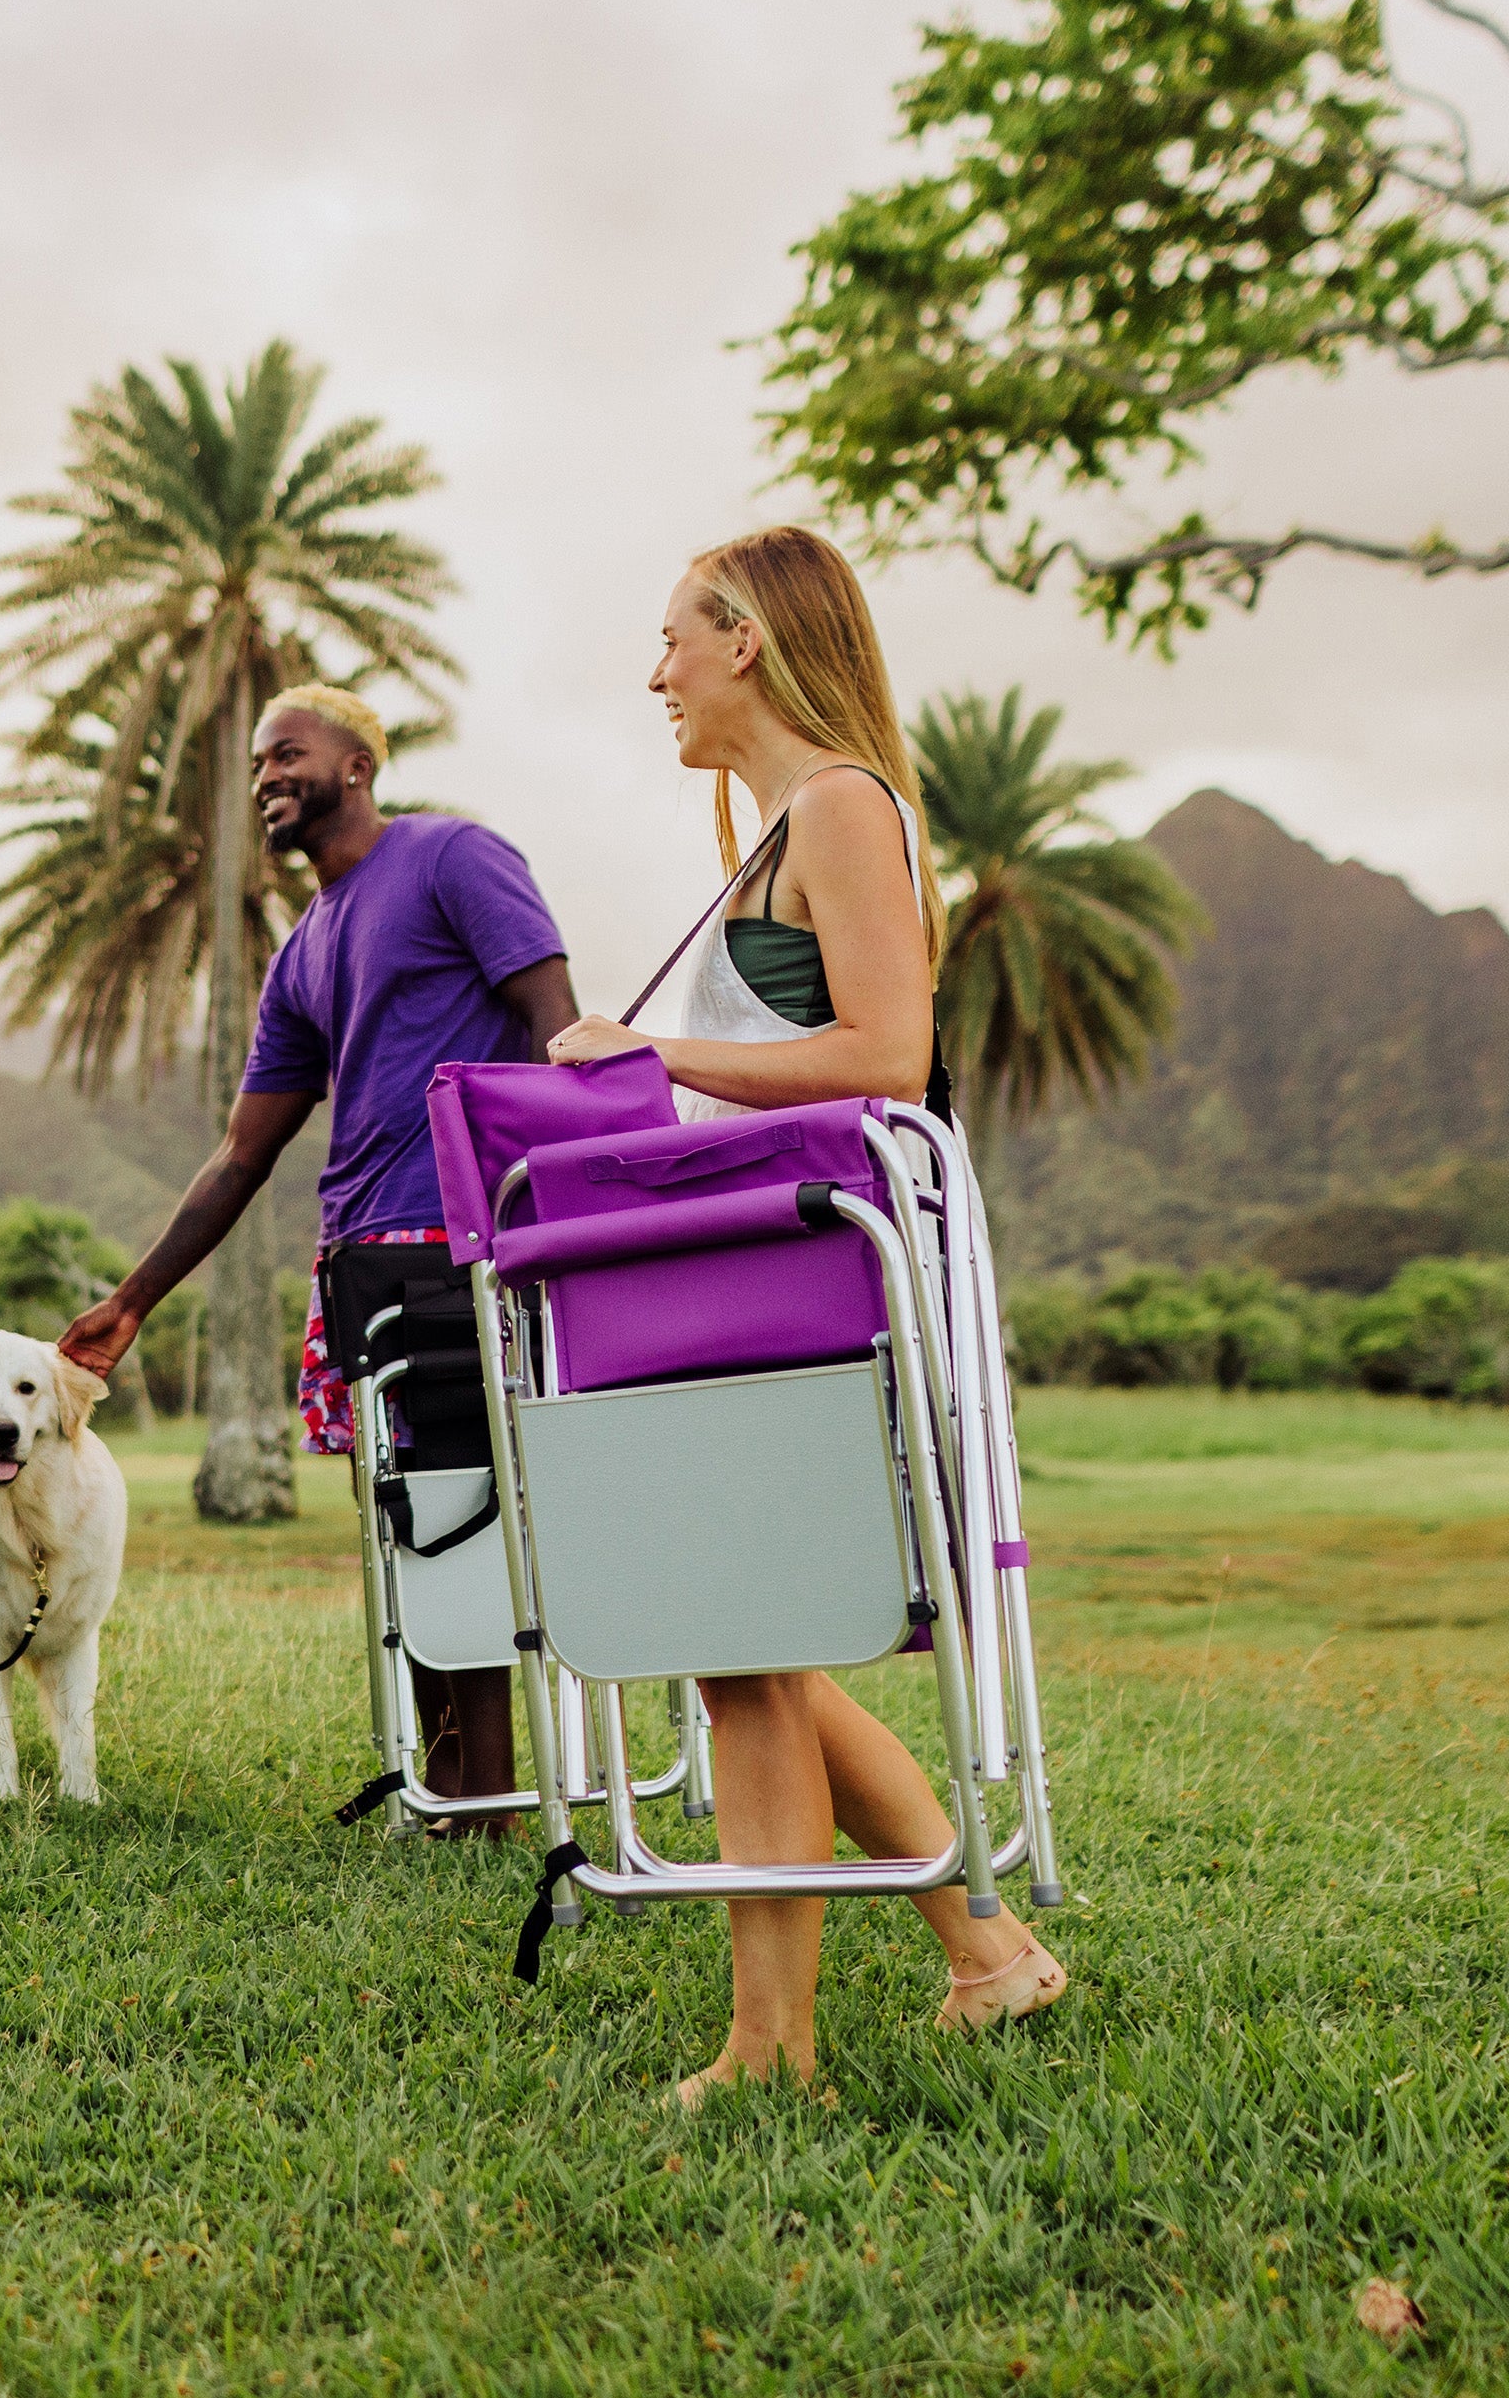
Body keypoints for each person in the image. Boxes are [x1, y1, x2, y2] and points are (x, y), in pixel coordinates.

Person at [546, 524, 1067, 2102]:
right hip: (767, 1296)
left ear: (748, 641)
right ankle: (989, 1954)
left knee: (744, 1642)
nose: (657, 675)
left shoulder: (838, 807)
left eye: (673, 640)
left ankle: (773, 2053)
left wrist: (655, 1061)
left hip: (820, 1298)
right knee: (755, 1650)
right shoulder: (773, 835)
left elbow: (889, 1055)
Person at [56, 685, 578, 1827]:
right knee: (407, 1523)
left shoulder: (453, 857)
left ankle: (482, 1804)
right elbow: (244, 1151)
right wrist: (133, 1299)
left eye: (285, 751)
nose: (264, 777)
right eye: (254, 763)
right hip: (358, 1260)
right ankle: (450, 1791)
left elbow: (556, 1024)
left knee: (461, 1515)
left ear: (359, 759)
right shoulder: (305, 950)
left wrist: (548, 1216)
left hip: (462, 1240)